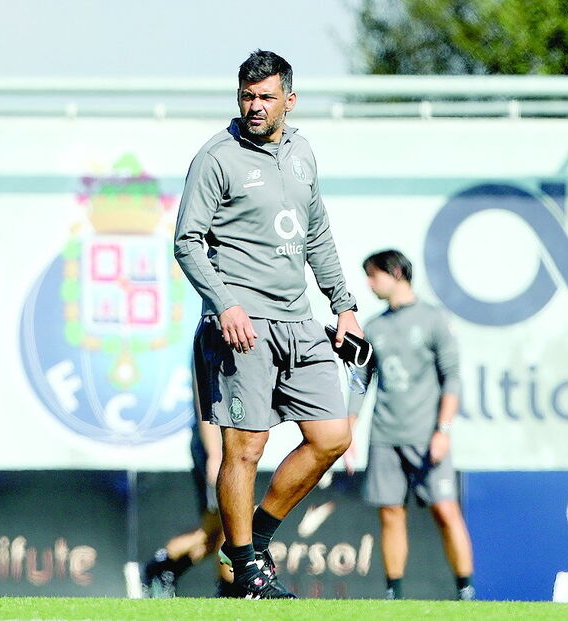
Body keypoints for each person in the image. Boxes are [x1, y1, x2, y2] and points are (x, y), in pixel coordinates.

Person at [173, 49, 362, 599]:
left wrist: (343, 303)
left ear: (289, 100)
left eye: (265, 97)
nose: (255, 106)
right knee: (245, 451)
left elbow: (318, 234)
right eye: (247, 96)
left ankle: (250, 540)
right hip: (242, 325)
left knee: (333, 435)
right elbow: (187, 242)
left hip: (299, 321)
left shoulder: (302, 152)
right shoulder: (216, 157)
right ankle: (247, 573)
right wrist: (223, 303)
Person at [345, 249, 475, 601]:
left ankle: (465, 591)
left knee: (446, 510)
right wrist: (349, 429)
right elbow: (361, 381)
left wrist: (443, 431)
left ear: (397, 273)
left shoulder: (433, 319)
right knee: (390, 513)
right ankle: (393, 594)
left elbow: (452, 379)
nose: (369, 283)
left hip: (427, 436)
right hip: (386, 436)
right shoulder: (374, 326)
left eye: (374, 275)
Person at [140, 414, 236, 597]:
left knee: (216, 531)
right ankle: (229, 588)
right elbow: (206, 402)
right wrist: (214, 455)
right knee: (230, 524)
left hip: (228, 448)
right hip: (217, 449)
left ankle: (162, 567)